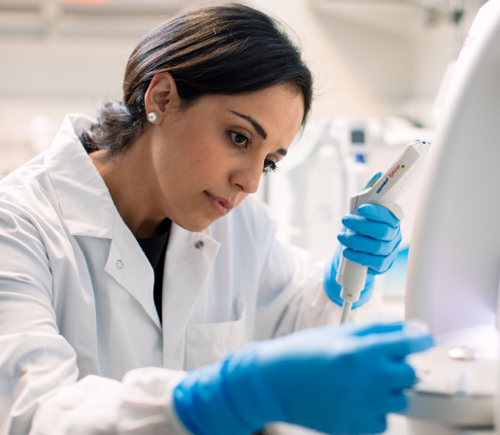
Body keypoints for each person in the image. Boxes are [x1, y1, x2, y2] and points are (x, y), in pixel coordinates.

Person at [0, 4, 432, 435]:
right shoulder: (18, 226)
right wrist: (209, 403)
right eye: (239, 137)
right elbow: (32, 414)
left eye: (268, 163)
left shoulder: (240, 224)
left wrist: (343, 283)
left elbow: (296, 327)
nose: (249, 183)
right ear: (162, 99)